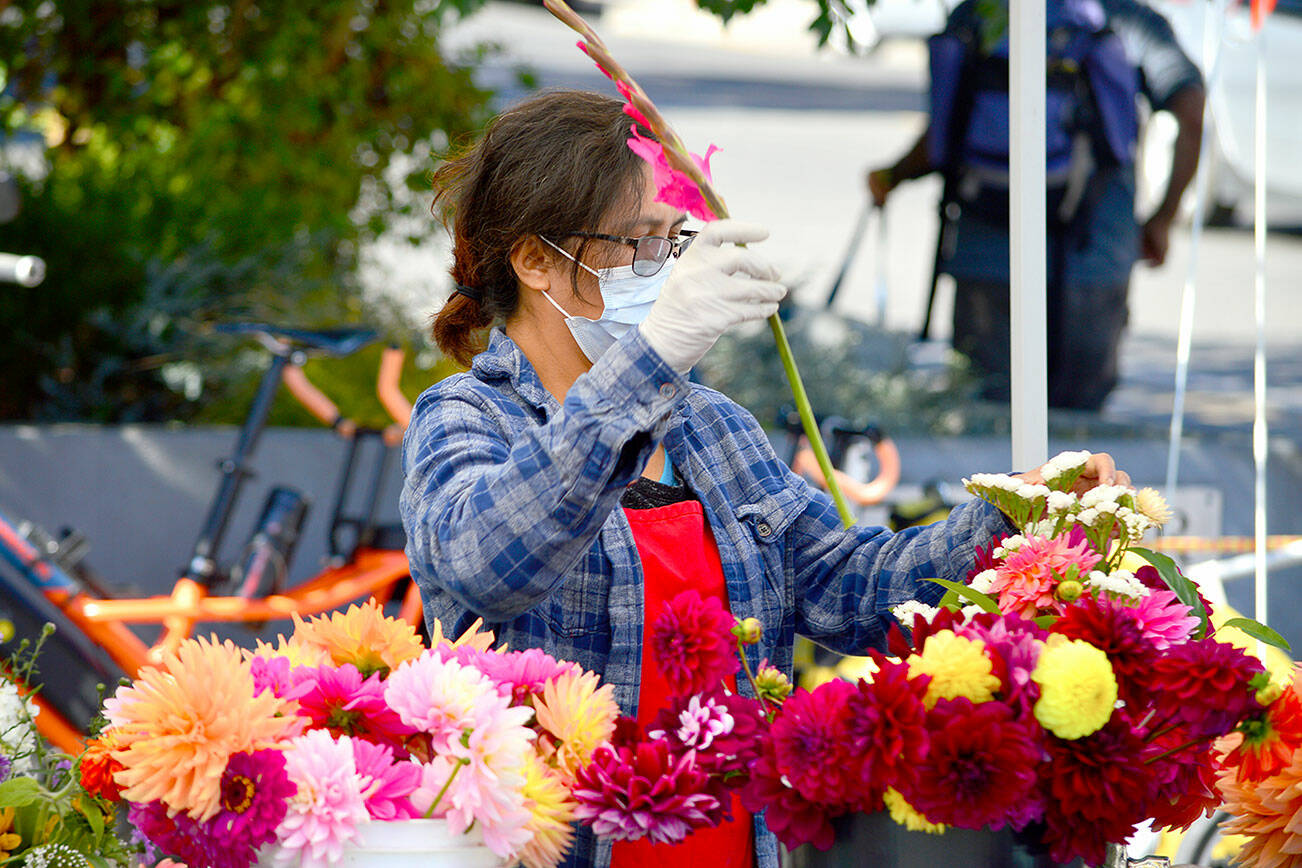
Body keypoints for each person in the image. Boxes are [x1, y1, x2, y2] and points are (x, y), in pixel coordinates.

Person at [400, 89, 1131, 868]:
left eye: (671, 241)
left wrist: (1006, 518)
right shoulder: (466, 417)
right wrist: (648, 361)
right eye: (636, 243)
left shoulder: (709, 426)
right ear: (536, 258)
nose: (663, 270)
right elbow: (490, 564)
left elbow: (847, 591)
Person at [868, 0, 1205, 410]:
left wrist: (891, 177)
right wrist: (1163, 219)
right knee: (1078, 442)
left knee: (989, 422)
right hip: (1092, 259)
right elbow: (1190, 109)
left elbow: (945, 128)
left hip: (986, 259)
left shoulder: (983, 13)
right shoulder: (1124, 18)